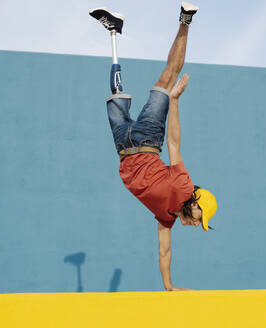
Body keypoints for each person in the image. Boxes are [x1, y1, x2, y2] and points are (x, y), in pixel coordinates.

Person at [90, 2, 217, 291]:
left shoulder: (166, 218)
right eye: (201, 218)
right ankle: (185, 21)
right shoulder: (184, 186)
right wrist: (174, 102)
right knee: (168, 77)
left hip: (123, 143)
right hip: (149, 138)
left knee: (116, 93)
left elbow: (164, 251)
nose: (198, 224)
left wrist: (169, 286)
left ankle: (113, 29)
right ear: (195, 204)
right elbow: (173, 142)